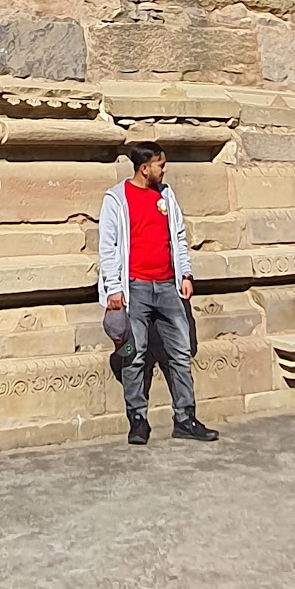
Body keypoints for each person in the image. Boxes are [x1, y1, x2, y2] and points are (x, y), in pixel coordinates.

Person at [98, 141, 220, 446]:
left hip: (168, 286)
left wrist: (186, 274)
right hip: (134, 288)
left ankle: (185, 418)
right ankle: (137, 419)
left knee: (181, 353)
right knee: (134, 355)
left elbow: (178, 236)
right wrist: (114, 288)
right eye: (160, 165)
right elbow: (108, 246)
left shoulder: (166, 195)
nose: (164, 170)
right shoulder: (117, 198)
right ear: (145, 168)